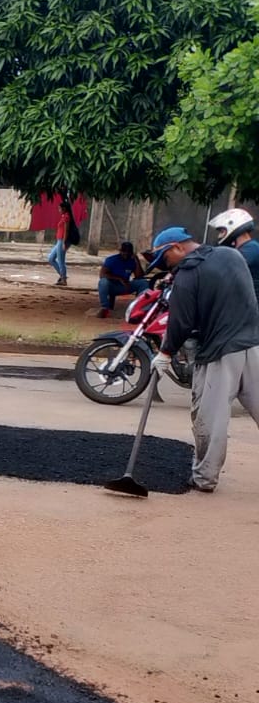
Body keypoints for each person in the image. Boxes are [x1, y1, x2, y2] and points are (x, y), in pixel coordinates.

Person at [151, 225, 259, 493]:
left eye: (166, 259)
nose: (167, 267)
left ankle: (204, 478)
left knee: (210, 418)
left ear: (177, 247)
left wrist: (165, 353)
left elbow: (181, 322)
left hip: (219, 352)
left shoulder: (188, 273)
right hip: (254, 344)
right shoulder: (231, 255)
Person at [208, 207, 259, 303]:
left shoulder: (251, 249)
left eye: (222, 231)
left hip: (251, 311)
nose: (219, 236)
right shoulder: (242, 249)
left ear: (233, 226)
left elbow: (222, 269)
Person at [96, 240, 150, 317]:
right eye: (124, 251)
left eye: (128, 252)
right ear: (120, 251)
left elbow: (139, 276)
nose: (126, 254)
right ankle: (104, 307)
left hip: (125, 286)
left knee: (143, 283)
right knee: (103, 282)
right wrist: (119, 278)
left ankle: (139, 307)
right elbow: (102, 274)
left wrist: (137, 260)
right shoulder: (111, 260)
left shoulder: (132, 261)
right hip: (112, 286)